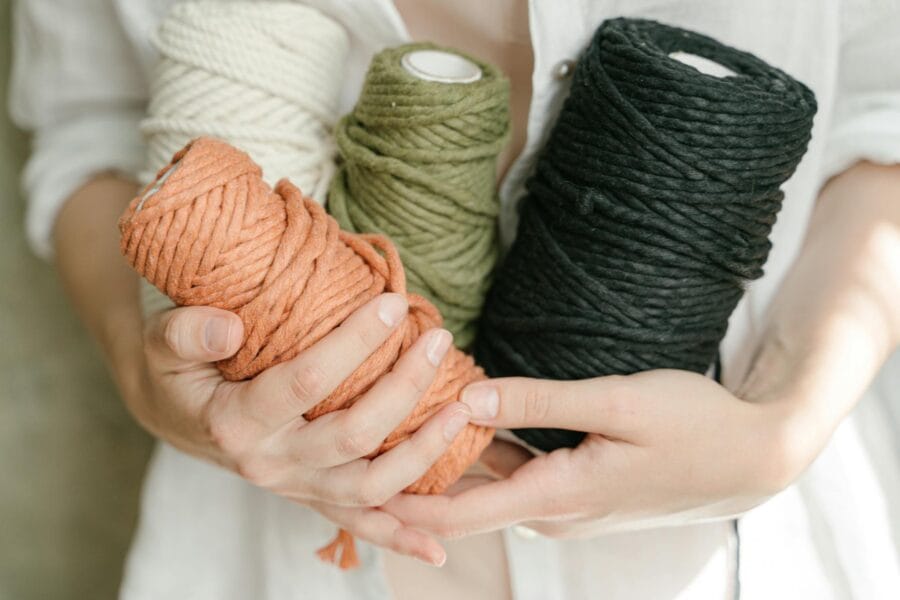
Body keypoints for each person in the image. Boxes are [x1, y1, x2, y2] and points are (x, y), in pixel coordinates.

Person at [9, 0, 900, 598]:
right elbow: (89, 127)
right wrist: (149, 379)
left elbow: (886, 120)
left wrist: (782, 420)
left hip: (734, 549)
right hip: (269, 544)